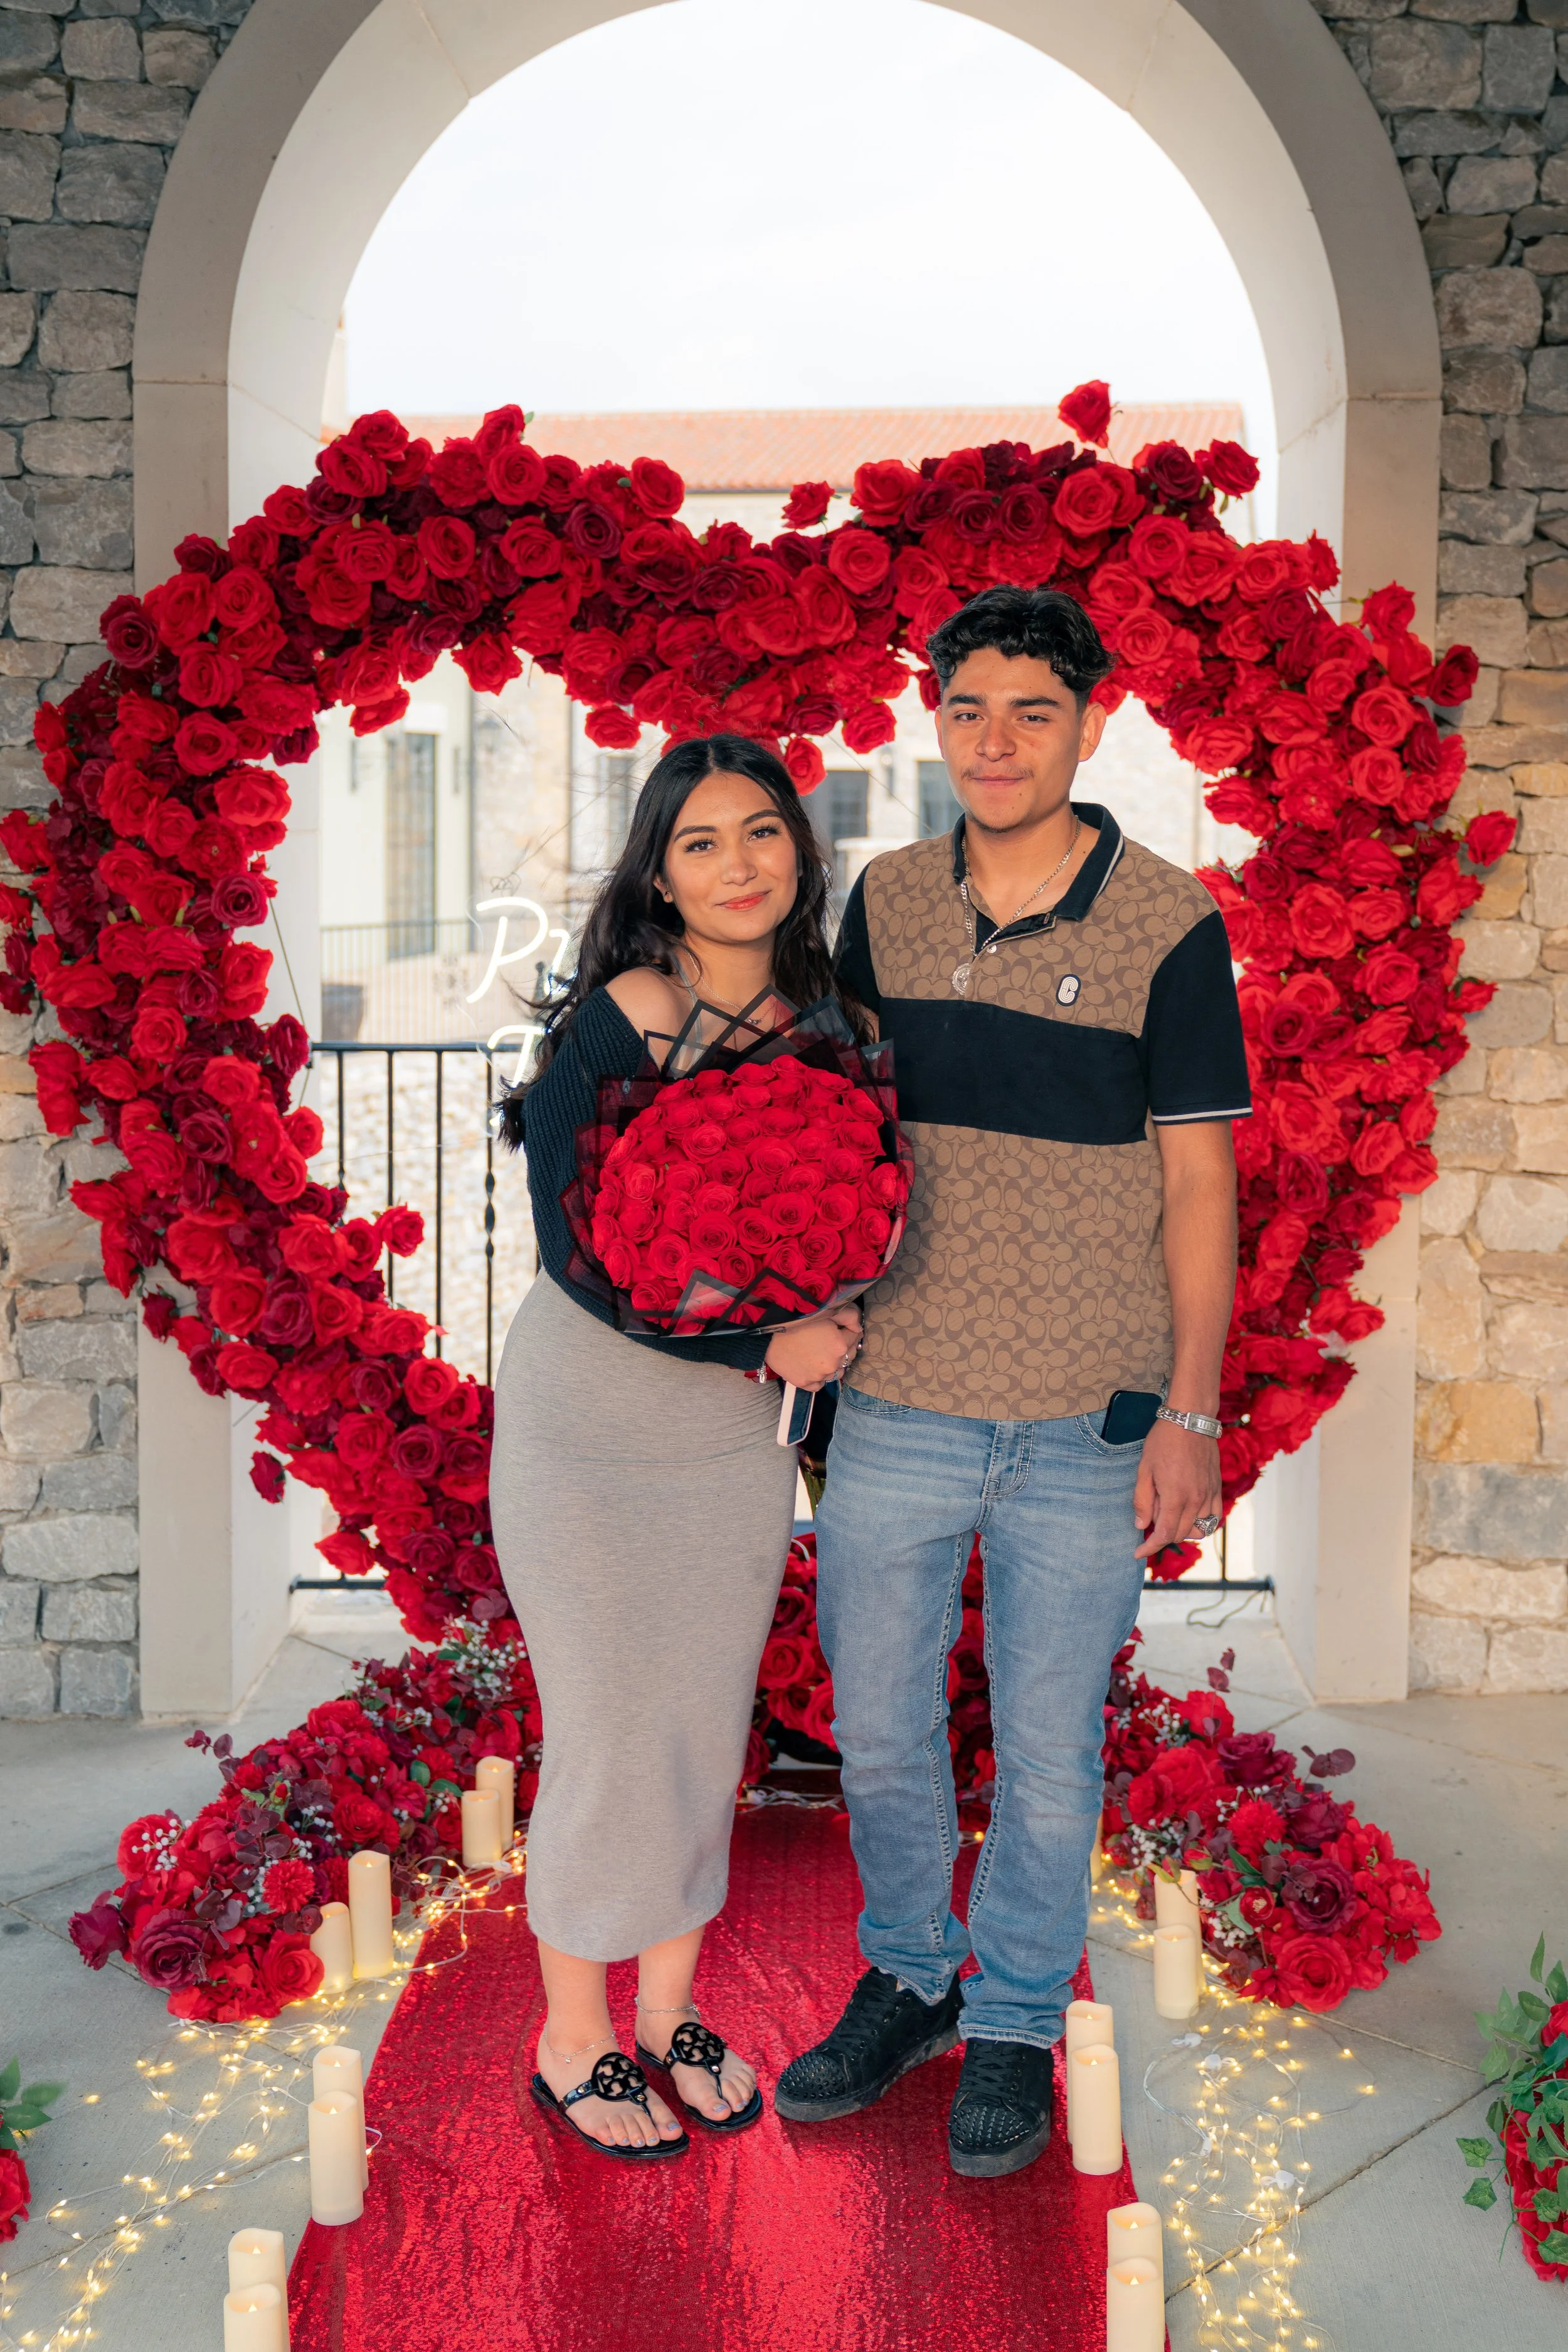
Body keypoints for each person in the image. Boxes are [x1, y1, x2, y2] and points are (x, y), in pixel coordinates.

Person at [776, 586, 1249, 2177]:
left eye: (1030, 712)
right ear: (932, 720)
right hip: (899, 1398)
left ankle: (1018, 2021)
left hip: (1085, 1421)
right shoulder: (883, 903)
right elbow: (837, 1140)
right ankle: (911, 1975)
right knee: (883, 1729)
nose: (994, 741)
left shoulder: (1170, 922)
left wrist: (1189, 1414)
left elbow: (1199, 1189)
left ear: (1089, 721)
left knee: (1049, 1750)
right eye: (967, 709)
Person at [492, 734, 863, 2161]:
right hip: (592, 1428)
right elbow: (573, 1251)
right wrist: (757, 1342)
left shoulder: (826, 1018)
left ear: (796, 852)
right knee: (603, 1733)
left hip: (731, 1449)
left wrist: (830, 1304)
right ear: (657, 869)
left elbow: (846, 1205)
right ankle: (570, 2038)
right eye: (699, 840)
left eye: (760, 832)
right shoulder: (624, 1015)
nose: (735, 864)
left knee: (703, 1734)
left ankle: (666, 2012)